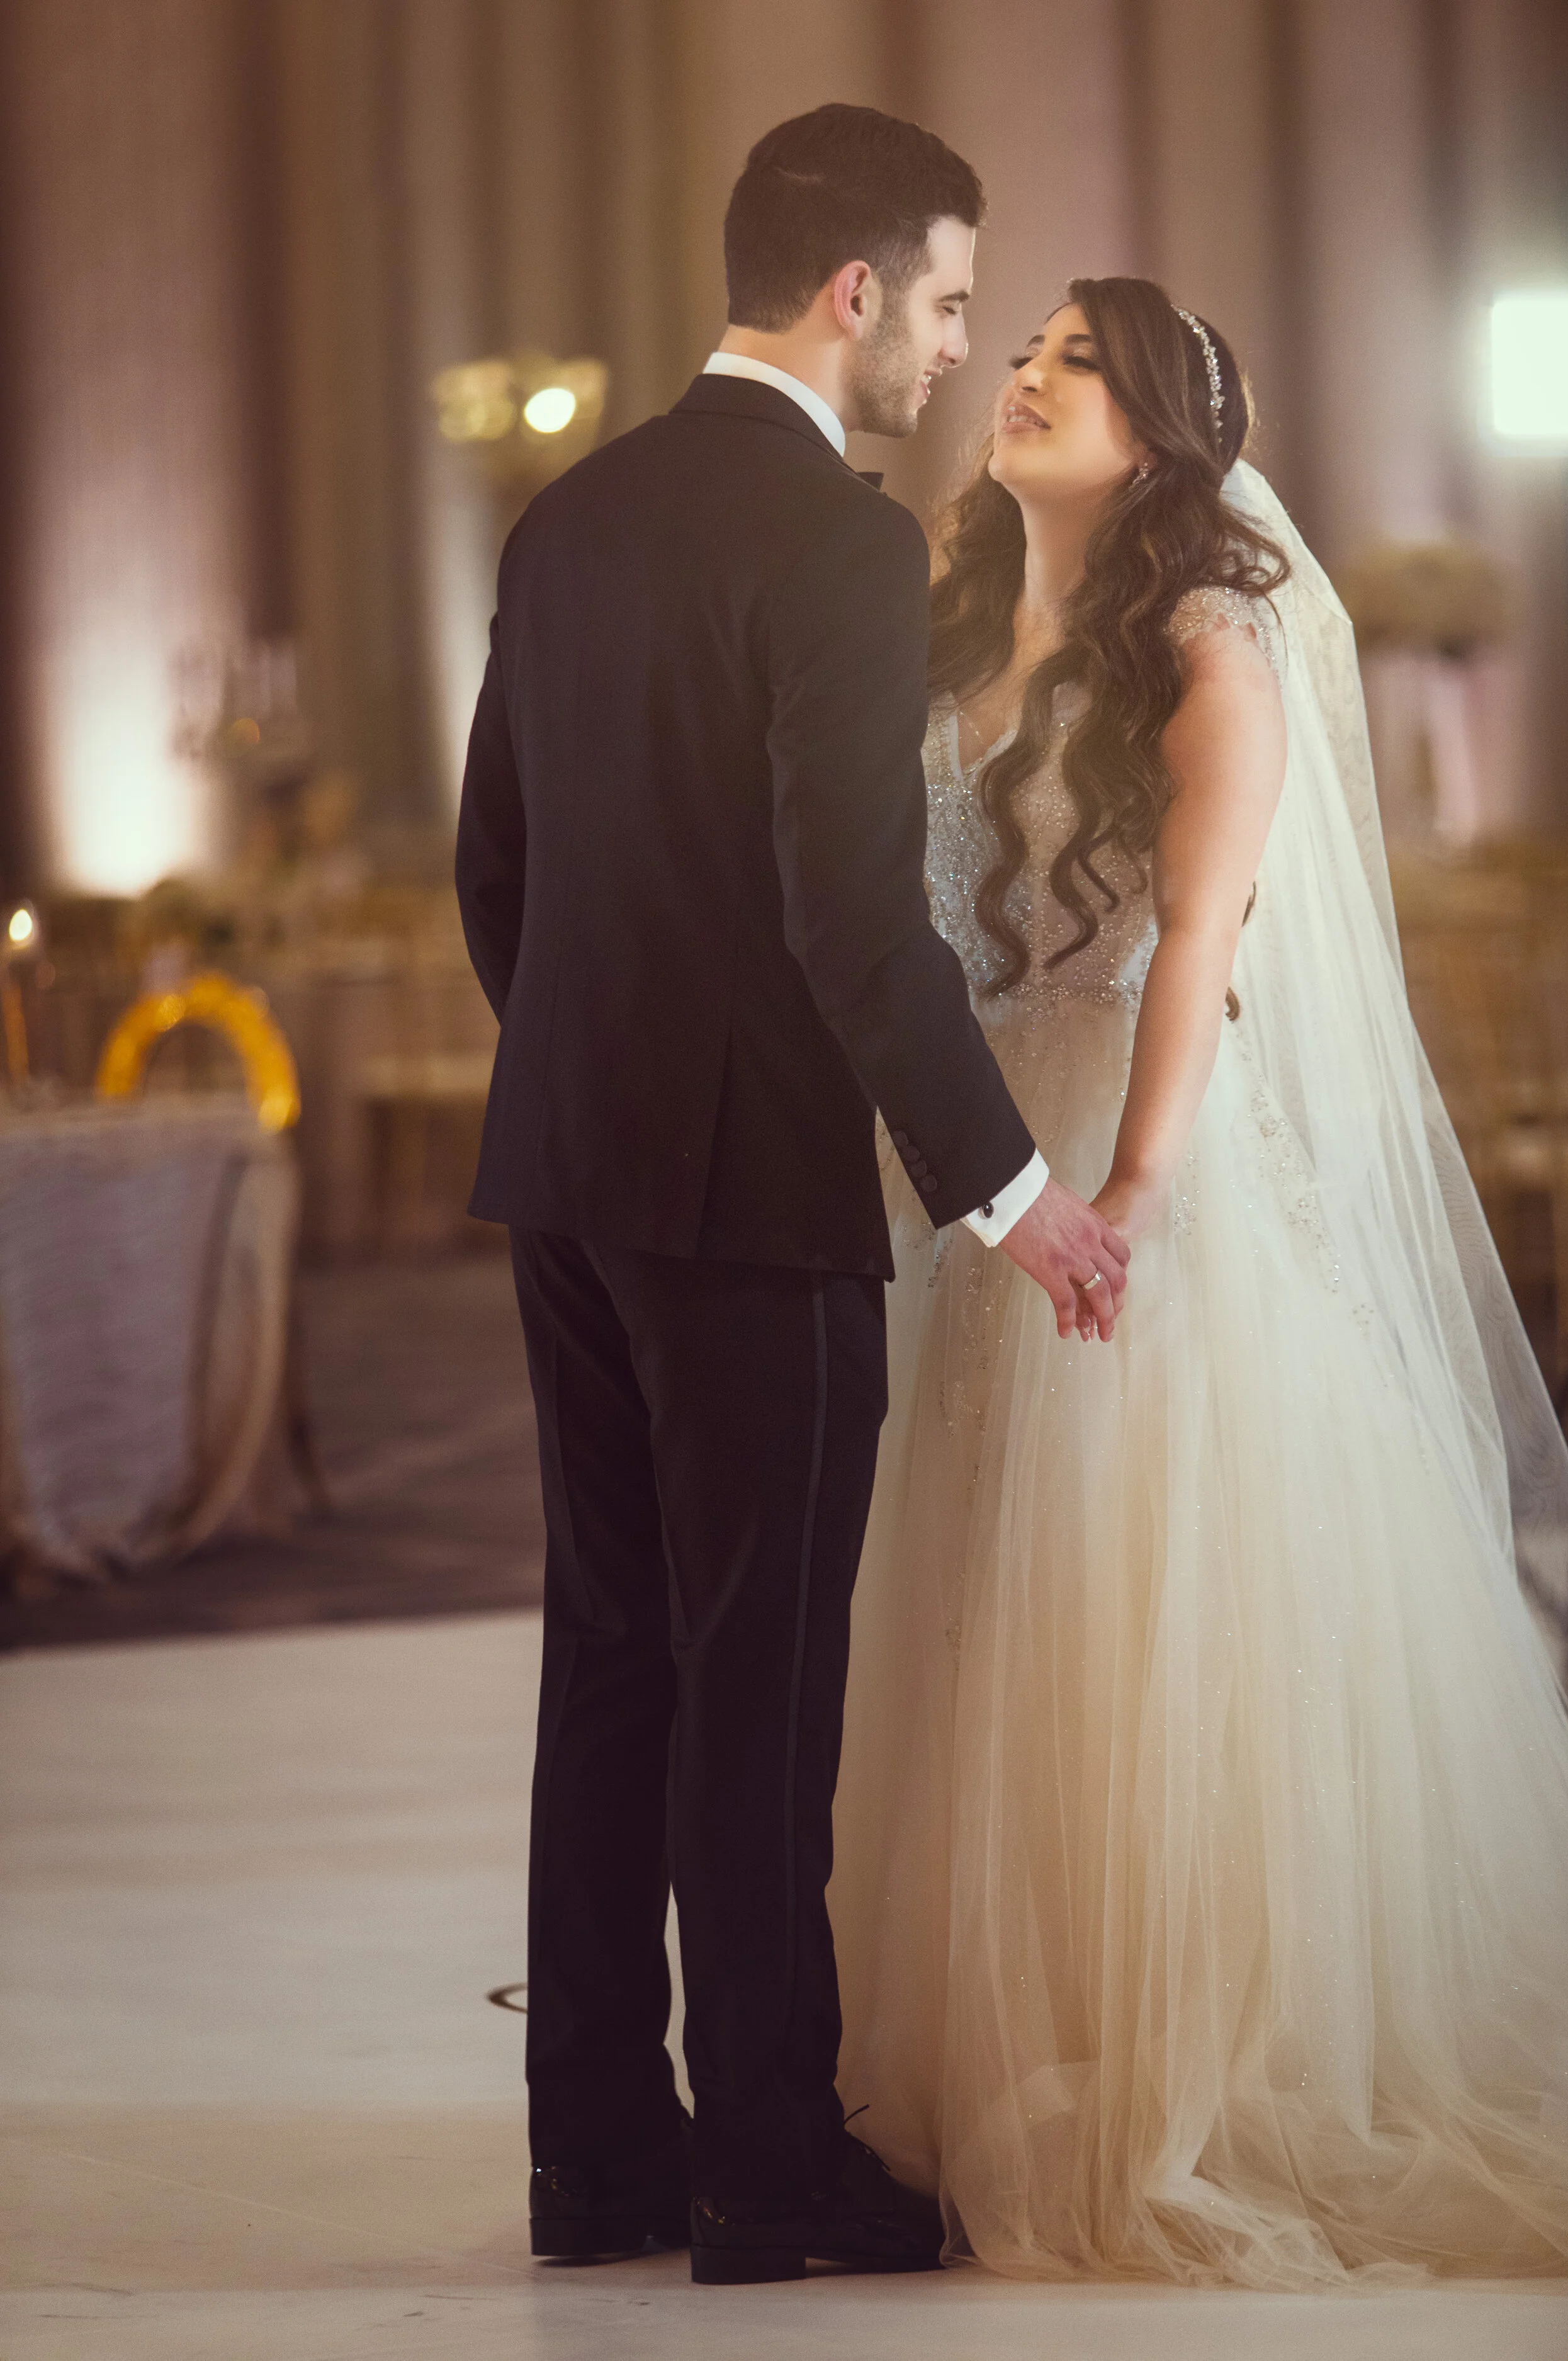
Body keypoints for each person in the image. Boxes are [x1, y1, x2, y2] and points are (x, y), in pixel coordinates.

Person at [829, 276, 1568, 2289]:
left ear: (1156, 433)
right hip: (971, 1165)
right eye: (1024, 348)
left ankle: (1169, 2057)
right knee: (977, 1591)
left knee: (1119, 1592)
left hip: (1130, 1150)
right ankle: (1005, 2028)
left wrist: (1136, 1195)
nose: (1024, 375)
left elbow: (1199, 940)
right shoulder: (959, 626)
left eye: (1073, 360)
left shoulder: (1208, 639)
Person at [454, 110, 1130, 2288]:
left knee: (614, 1660)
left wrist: (595, 1065)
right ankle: (763, 2162)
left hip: (569, 1165)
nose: (950, 348)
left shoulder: (566, 519)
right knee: (762, 1690)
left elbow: (499, 877)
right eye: (945, 301)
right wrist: (1013, 1192)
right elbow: (853, 924)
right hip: (745, 1187)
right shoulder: (833, 542)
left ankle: (596, 2158)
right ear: (853, 294)